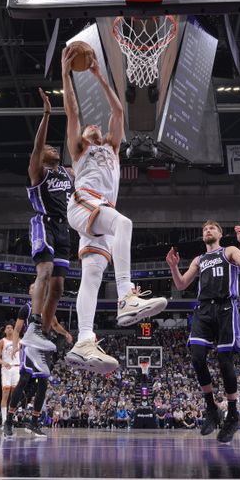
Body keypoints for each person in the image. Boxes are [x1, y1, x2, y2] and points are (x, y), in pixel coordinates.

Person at [60, 45, 168, 373]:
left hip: (98, 214)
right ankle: (126, 296)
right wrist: (66, 76)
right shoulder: (81, 149)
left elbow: (119, 112)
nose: (93, 126)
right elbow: (73, 114)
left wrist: (99, 76)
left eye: (97, 127)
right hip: (85, 201)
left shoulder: (112, 147)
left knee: (91, 277)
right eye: (89, 128)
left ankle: (84, 341)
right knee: (125, 224)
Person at [166, 220, 240, 443]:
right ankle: (211, 408)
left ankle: (233, 414)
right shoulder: (199, 259)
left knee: (225, 362)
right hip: (204, 308)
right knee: (197, 357)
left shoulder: (230, 251)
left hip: (226, 307)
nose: (208, 230)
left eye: (212, 228)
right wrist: (174, 267)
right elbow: (181, 285)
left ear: (220, 233)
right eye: (205, 229)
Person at [20, 88, 75, 356]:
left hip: (65, 228)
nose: (52, 148)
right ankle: (31, 324)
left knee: (59, 286)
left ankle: (41, 332)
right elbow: (38, 146)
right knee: (44, 271)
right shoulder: (37, 171)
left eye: (55, 147)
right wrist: (47, 114)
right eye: (48, 148)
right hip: (44, 223)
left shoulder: (68, 173)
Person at [4, 291, 73, 439]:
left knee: (43, 385)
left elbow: (54, 325)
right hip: (29, 347)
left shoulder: (49, 310)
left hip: (43, 350)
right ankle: (8, 421)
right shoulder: (26, 308)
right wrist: (15, 345)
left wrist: (66, 333)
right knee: (23, 380)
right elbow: (16, 330)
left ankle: (34, 423)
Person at [0, 324, 20, 425]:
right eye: (8, 328)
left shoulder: (19, 341)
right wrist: (3, 362)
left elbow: (23, 354)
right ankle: (4, 420)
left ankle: (11, 417)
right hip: (6, 368)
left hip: (17, 367)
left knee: (15, 395)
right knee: (5, 393)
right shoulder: (2, 342)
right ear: (5, 330)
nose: (10, 329)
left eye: (11, 328)